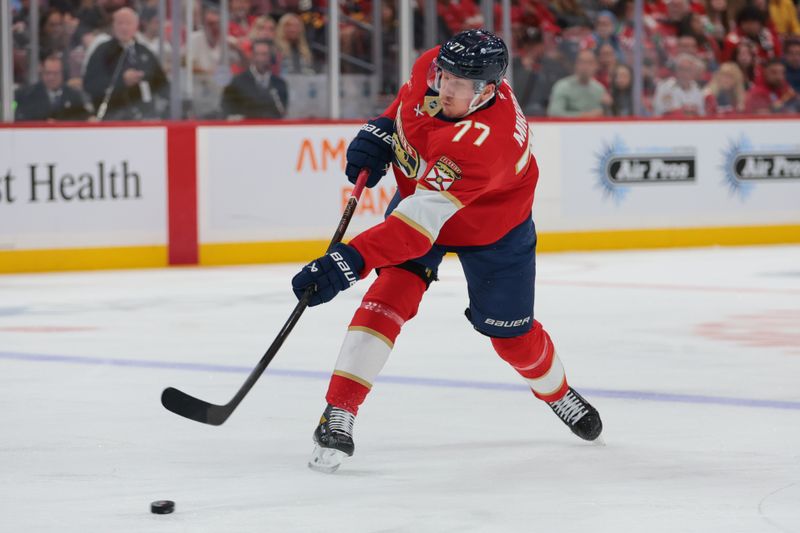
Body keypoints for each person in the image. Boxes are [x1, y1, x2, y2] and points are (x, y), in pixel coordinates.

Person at [290, 29, 603, 474]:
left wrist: (349, 261)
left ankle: (558, 393)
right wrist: (381, 130)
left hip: (493, 229)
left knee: (510, 336)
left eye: (458, 85)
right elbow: (407, 105)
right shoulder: (435, 66)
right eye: (444, 76)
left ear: (488, 91)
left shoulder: (484, 145)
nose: (444, 88)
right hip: (424, 200)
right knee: (387, 298)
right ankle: (339, 410)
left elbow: (414, 230)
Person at [83, 7, 169, 120]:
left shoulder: (144, 52)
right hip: (111, 115)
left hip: (144, 116)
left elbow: (162, 85)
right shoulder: (102, 51)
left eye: (128, 23)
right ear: (113, 25)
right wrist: (122, 80)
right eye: (120, 23)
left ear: (136, 26)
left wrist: (145, 78)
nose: (124, 27)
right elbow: (90, 84)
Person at [221, 39, 288, 118]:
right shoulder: (237, 82)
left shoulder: (280, 84)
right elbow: (227, 109)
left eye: (264, 54)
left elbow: (282, 113)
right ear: (252, 55)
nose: (260, 58)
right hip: (245, 128)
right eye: (257, 54)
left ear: (271, 57)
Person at [15, 55, 90, 121]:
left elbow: (83, 117)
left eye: (55, 73)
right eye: (48, 73)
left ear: (62, 73)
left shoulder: (74, 95)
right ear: (41, 73)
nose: (51, 77)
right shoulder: (28, 95)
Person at [547, 49, 610, 117]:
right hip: (567, 126)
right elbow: (554, 113)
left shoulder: (599, 89)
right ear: (576, 65)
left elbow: (605, 114)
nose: (585, 66)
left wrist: (608, 106)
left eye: (590, 63)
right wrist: (584, 116)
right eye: (582, 62)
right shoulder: (562, 86)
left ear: (596, 66)